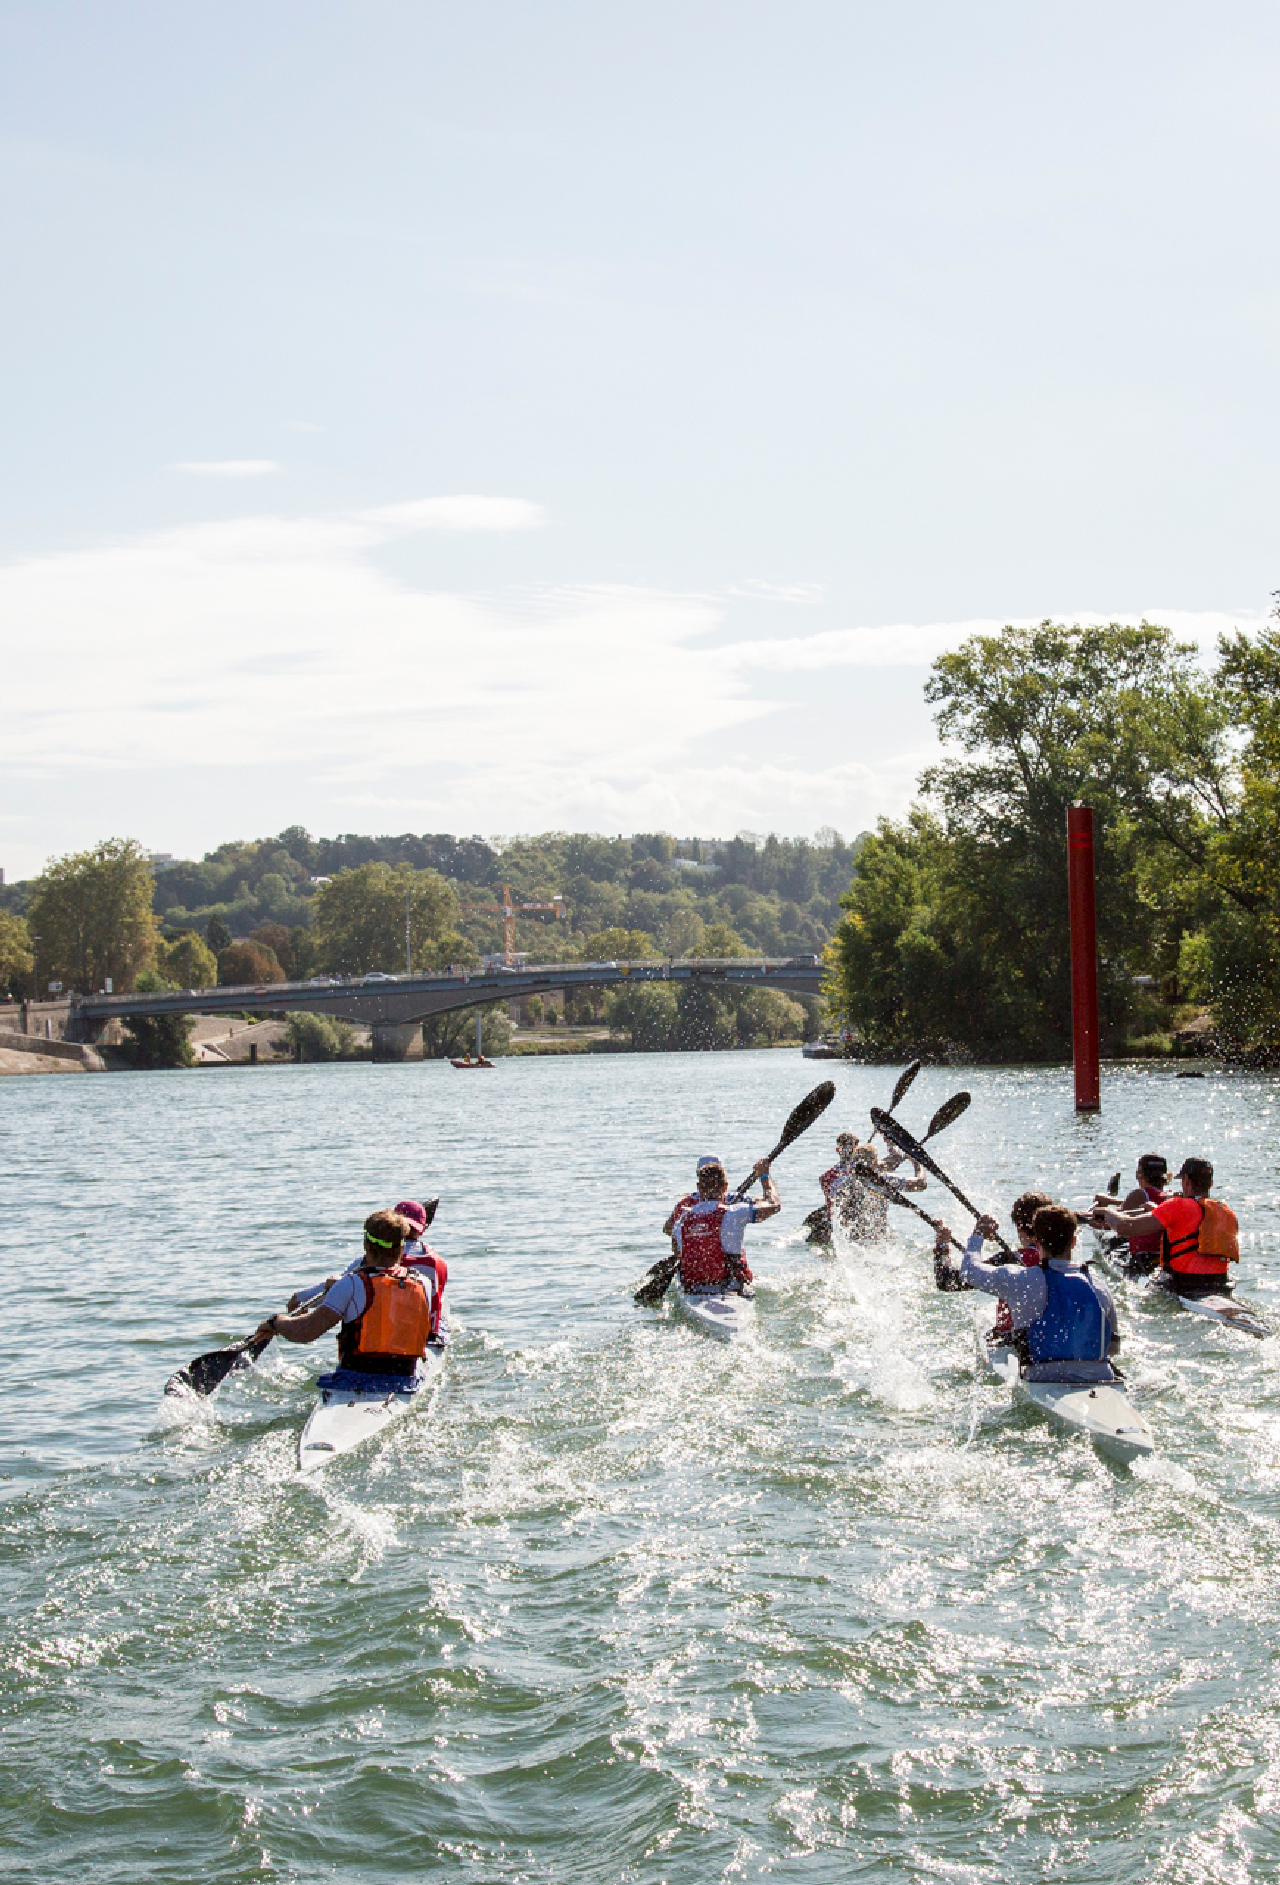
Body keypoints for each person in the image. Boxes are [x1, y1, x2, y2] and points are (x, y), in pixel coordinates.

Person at [936, 1203, 1121, 1381]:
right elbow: (1113, 1348)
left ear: (1037, 1243)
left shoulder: (1022, 1279)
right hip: (1100, 1377)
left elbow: (968, 1271)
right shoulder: (1098, 1284)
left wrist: (978, 1234)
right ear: (1073, 1242)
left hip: (1043, 1377)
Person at [259, 1209, 435, 1377]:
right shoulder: (423, 1283)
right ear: (402, 1248)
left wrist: (275, 1322)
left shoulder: (351, 1284)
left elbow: (306, 1332)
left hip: (355, 1378)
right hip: (405, 1378)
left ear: (366, 1245)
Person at [286, 1198, 448, 1340]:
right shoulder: (438, 1263)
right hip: (423, 1339)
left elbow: (337, 1295)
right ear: (422, 1229)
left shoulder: (364, 1263)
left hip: (377, 1342)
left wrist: (298, 1298)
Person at [1100, 1156, 1238, 1297]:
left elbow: (1124, 1227)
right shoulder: (1227, 1212)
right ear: (1211, 1184)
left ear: (1186, 1180)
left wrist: (1107, 1212)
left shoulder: (1176, 1206)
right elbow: (1195, 1223)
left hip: (1182, 1284)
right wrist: (1157, 1211)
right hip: (1220, 1283)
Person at [933, 1191, 1053, 1349]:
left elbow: (947, 1281)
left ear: (1018, 1228)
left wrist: (942, 1247)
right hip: (1052, 1340)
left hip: (1015, 1344)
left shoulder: (1010, 1260)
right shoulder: (1063, 1258)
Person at [673, 1156, 780, 1293]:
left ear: (699, 1187)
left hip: (693, 1292)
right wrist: (765, 1176)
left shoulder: (680, 1221)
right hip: (731, 1290)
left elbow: (678, 1254)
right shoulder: (734, 1213)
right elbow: (774, 1205)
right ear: (725, 1187)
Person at [1093, 1154, 1168, 1276]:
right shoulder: (1170, 1197)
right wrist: (1111, 1201)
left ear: (1138, 1174)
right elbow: (1147, 1202)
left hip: (1141, 1261)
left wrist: (1099, 1209)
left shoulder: (1139, 1194)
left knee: (1108, 1242)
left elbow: (1108, 1222)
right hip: (1162, 1257)